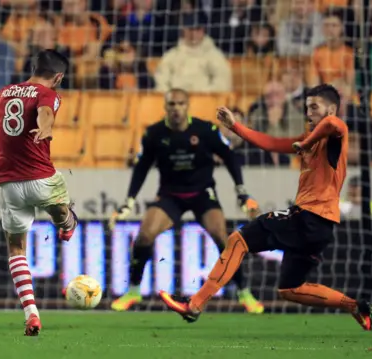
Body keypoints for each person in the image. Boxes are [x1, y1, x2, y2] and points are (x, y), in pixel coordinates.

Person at [158, 84, 372, 330]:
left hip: (309, 217)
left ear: (332, 108)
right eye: (306, 108)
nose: (309, 113)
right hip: (320, 227)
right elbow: (271, 142)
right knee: (290, 289)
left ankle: (195, 304)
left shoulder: (336, 132)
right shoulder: (308, 139)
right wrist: (235, 127)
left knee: (238, 240)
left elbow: (332, 124)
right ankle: (356, 306)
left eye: (314, 107)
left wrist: (306, 143)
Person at [109, 88, 264, 313]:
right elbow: (142, 167)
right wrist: (129, 200)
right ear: (165, 107)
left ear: (187, 106)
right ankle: (133, 290)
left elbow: (230, 157)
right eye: (172, 104)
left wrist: (241, 192)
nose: (176, 109)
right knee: (144, 236)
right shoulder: (154, 133)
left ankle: (244, 292)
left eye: (181, 104)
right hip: (171, 195)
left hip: (202, 193)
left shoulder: (206, 130)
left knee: (224, 238)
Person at [0, 49, 78, 337]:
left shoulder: (6, 92)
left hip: (8, 181)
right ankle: (66, 224)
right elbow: (45, 112)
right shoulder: (49, 93)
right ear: (58, 77)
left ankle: (31, 313)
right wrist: (46, 128)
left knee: (16, 248)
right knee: (62, 206)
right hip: (41, 177)